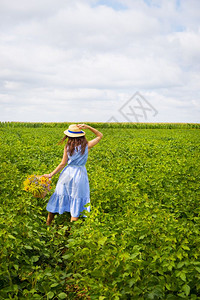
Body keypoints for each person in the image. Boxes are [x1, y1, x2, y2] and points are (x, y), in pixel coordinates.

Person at [43, 124, 103, 225]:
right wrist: (88, 127)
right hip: (80, 175)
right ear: (81, 136)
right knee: (76, 198)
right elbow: (100, 135)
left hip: (67, 174)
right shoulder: (87, 146)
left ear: (69, 136)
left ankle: (48, 224)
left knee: (59, 195)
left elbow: (62, 163)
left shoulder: (67, 147)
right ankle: (70, 232)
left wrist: (51, 174)